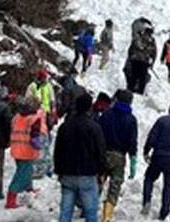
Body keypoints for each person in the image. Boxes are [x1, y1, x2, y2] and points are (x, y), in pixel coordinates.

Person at [54, 93, 106, 222]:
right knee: (90, 211)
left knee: (65, 211)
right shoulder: (94, 127)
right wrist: (101, 171)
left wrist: (59, 170)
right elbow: (100, 151)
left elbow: (57, 151)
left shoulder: (64, 127)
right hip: (87, 174)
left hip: (67, 173)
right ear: (89, 108)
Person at [98, 90, 138, 222]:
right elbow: (132, 141)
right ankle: (107, 216)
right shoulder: (131, 120)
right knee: (114, 187)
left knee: (98, 182)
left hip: (103, 154)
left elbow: (97, 133)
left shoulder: (106, 114)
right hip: (119, 157)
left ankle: (89, 207)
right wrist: (133, 159)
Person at [6, 96, 46, 209]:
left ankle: (29, 189)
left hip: (16, 147)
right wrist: (40, 145)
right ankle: (11, 198)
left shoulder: (17, 116)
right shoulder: (34, 118)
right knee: (22, 174)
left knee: (24, 170)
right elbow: (35, 136)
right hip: (27, 149)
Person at [26, 69, 56, 178]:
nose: (45, 79)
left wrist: (53, 110)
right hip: (36, 115)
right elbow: (28, 99)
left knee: (47, 140)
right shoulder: (32, 86)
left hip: (46, 115)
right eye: (43, 77)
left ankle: (46, 166)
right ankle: (37, 166)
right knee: (37, 140)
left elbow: (52, 99)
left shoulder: (48, 86)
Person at [124, 21, 157, 95]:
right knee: (141, 78)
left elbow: (131, 49)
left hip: (136, 60)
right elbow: (154, 52)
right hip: (143, 61)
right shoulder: (151, 41)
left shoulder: (138, 38)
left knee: (134, 76)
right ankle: (139, 91)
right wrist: (152, 62)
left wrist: (130, 57)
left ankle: (131, 90)